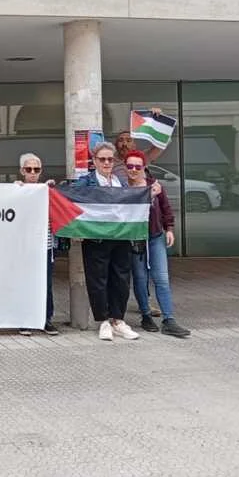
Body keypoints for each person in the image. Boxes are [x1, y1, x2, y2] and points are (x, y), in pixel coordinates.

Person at [73, 141, 140, 342]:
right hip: (97, 238)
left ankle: (118, 320)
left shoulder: (121, 182)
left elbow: (131, 203)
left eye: (110, 159)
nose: (106, 163)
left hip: (120, 237)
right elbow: (71, 197)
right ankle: (103, 321)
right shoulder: (86, 182)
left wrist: (149, 194)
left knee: (121, 279)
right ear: (94, 161)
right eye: (102, 159)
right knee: (98, 280)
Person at [123, 150, 191, 338]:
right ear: (125, 167)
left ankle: (169, 319)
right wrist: (149, 196)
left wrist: (169, 228)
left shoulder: (155, 185)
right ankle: (145, 315)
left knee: (161, 277)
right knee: (140, 278)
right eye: (130, 166)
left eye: (138, 166)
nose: (134, 170)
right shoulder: (122, 188)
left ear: (144, 167)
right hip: (135, 239)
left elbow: (166, 208)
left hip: (155, 236)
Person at [14, 153, 59, 336]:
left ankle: (46, 319)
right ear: (22, 171)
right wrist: (15, 189)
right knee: (25, 283)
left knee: (46, 284)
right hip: (24, 247)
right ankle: (24, 320)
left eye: (36, 169)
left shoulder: (47, 191)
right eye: (29, 169)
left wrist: (51, 190)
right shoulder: (17, 190)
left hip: (45, 246)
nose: (32, 172)